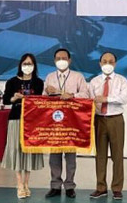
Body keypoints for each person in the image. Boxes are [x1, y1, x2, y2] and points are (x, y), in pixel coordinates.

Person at [43, 48, 89, 199]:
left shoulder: (77, 76)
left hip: (72, 122)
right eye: (58, 58)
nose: (61, 61)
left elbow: (86, 95)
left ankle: (70, 186)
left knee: (70, 156)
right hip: (55, 121)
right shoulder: (50, 77)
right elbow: (42, 99)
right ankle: (55, 185)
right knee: (54, 156)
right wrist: (47, 91)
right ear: (54, 61)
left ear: (69, 60)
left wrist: (72, 95)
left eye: (64, 58)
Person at [1, 53, 45, 199]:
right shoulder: (12, 81)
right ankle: (19, 184)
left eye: (30, 64)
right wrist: (14, 97)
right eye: (25, 63)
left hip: (31, 121)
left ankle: (26, 183)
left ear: (34, 66)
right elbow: (6, 100)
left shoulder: (38, 82)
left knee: (28, 151)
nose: (27, 66)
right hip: (15, 119)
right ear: (20, 65)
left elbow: (39, 101)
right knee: (16, 150)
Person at [88, 52, 127, 200]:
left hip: (116, 119)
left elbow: (124, 99)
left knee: (117, 155)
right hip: (99, 120)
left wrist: (106, 99)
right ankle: (101, 188)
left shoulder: (121, 80)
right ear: (100, 64)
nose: (107, 64)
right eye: (104, 61)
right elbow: (89, 100)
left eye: (111, 61)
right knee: (100, 155)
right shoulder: (94, 82)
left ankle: (117, 188)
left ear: (115, 64)